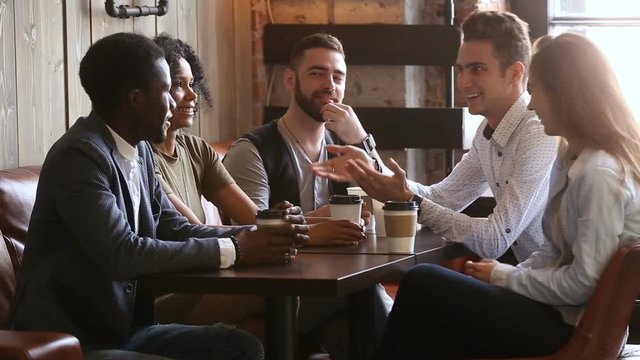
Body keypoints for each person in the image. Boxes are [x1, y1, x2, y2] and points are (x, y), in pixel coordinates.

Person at [9, 32, 309, 360]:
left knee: (241, 347)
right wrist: (235, 248)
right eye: (167, 90)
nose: (176, 102)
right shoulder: (81, 157)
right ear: (136, 99)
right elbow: (121, 253)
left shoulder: (140, 152)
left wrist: (263, 234)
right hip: (72, 340)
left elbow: (174, 228)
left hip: (124, 330)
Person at [372, 32, 640, 359]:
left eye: (535, 91)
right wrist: (505, 278)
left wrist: (505, 276)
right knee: (434, 325)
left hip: (570, 328)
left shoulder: (599, 172)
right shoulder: (571, 158)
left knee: (423, 281)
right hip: (553, 312)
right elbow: (551, 252)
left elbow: (581, 284)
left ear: (565, 95)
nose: (532, 104)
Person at [313, 11, 558, 263]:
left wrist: (408, 198)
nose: (463, 82)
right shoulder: (486, 133)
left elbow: (494, 241)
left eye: (478, 69)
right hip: (525, 278)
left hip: (551, 293)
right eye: (461, 70)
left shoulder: (537, 133)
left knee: (422, 280)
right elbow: (443, 199)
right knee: (421, 279)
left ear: (516, 73)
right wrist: (370, 164)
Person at [223, 33, 392, 360]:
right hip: (279, 290)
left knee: (358, 329)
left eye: (338, 77)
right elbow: (252, 234)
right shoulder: (253, 150)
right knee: (364, 295)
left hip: (333, 285)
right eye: (317, 73)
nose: (329, 84)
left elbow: (392, 206)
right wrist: (327, 217)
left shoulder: (345, 148)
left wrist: (360, 140)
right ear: (290, 79)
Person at [151, 34, 259, 226]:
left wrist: (282, 222)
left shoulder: (197, 149)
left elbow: (254, 218)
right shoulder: (143, 157)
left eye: (191, 84)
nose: (192, 94)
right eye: (178, 84)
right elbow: (194, 231)